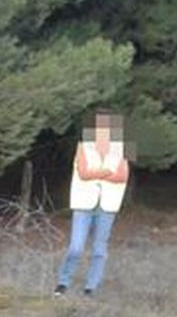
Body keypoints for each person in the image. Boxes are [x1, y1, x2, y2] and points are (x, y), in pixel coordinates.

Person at [55, 111, 129, 297]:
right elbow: (83, 172)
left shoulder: (122, 147)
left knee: (99, 249)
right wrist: (106, 172)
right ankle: (63, 282)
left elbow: (122, 176)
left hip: (108, 205)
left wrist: (96, 172)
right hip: (83, 203)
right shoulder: (83, 146)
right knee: (76, 247)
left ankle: (91, 288)